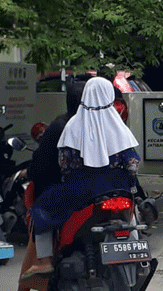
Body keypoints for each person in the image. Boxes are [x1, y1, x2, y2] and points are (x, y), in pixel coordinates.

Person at [21, 77, 141, 279]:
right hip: (117, 186)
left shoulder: (72, 125)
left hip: (81, 188)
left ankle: (45, 260)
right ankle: (138, 253)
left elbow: (65, 165)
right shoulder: (118, 125)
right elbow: (132, 163)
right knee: (132, 211)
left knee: (40, 208)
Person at [0, 83, 85, 291]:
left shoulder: (62, 125)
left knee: (41, 213)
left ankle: (25, 290)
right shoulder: (106, 124)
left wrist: (33, 172)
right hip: (105, 188)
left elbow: (43, 166)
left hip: (69, 191)